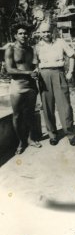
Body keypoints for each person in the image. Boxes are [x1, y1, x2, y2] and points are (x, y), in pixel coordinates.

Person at [34, 22, 75, 146]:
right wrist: (36, 72)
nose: (46, 34)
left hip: (59, 74)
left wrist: (70, 71)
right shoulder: (37, 46)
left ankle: (70, 134)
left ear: (52, 31)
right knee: (47, 107)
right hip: (44, 76)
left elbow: (72, 55)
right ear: (40, 33)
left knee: (65, 106)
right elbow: (35, 64)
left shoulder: (60, 42)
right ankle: (52, 135)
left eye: (48, 31)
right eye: (43, 32)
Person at [5, 24, 42, 154]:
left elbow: (33, 65)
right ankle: (21, 142)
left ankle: (31, 139)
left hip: (31, 86)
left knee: (30, 113)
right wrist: (28, 73)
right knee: (17, 115)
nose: (23, 35)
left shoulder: (30, 49)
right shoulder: (10, 50)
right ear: (15, 35)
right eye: (20, 33)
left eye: (25, 33)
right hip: (17, 86)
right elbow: (9, 70)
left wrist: (36, 70)